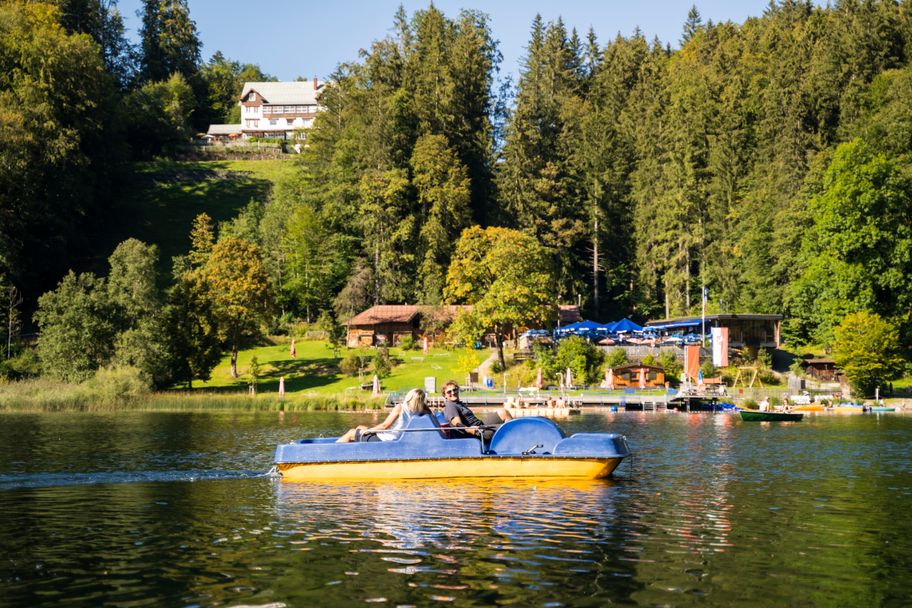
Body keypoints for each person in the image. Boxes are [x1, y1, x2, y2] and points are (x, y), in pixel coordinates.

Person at [336, 388, 429, 442]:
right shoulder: (419, 411)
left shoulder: (401, 408)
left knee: (351, 433)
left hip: (387, 439)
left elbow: (385, 426)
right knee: (360, 427)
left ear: (409, 396)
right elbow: (430, 413)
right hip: (397, 437)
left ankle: (333, 452)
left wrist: (368, 432)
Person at [441, 380, 512, 440]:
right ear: (445, 395)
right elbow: (457, 423)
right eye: (449, 392)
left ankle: (512, 438)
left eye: (454, 390)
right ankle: (514, 442)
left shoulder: (457, 404)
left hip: (480, 424)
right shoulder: (450, 406)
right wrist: (469, 430)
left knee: (504, 413)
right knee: (507, 428)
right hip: (475, 432)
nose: (453, 393)